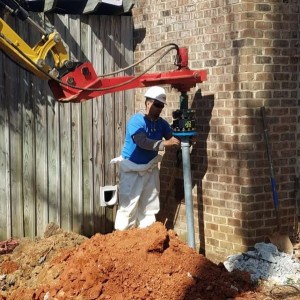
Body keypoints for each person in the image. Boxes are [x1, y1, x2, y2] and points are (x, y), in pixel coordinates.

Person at [112, 86, 181, 230]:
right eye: (157, 104)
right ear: (148, 103)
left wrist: (184, 136)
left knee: (149, 206)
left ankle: (146, 237)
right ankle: (123, 239)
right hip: (132, 170)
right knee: (128, 207)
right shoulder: (136, 121)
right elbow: (142, 142)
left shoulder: (161, 123)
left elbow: (172, 136)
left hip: (149, 169)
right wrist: (164, 143)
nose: (159, 108)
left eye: (161, 105)